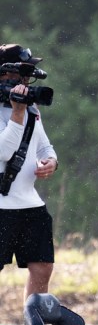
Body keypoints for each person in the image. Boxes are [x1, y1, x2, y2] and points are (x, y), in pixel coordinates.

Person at [0, 43, 58, 301]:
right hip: (1, 206)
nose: (26, 79)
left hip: (29, 203)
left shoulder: (31, 109)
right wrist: (17, 113)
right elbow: (4, 152)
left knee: (42, 266)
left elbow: (44, 146)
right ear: (5, 74)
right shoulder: (20, 110)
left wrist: (51, 161)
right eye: (21, 74)